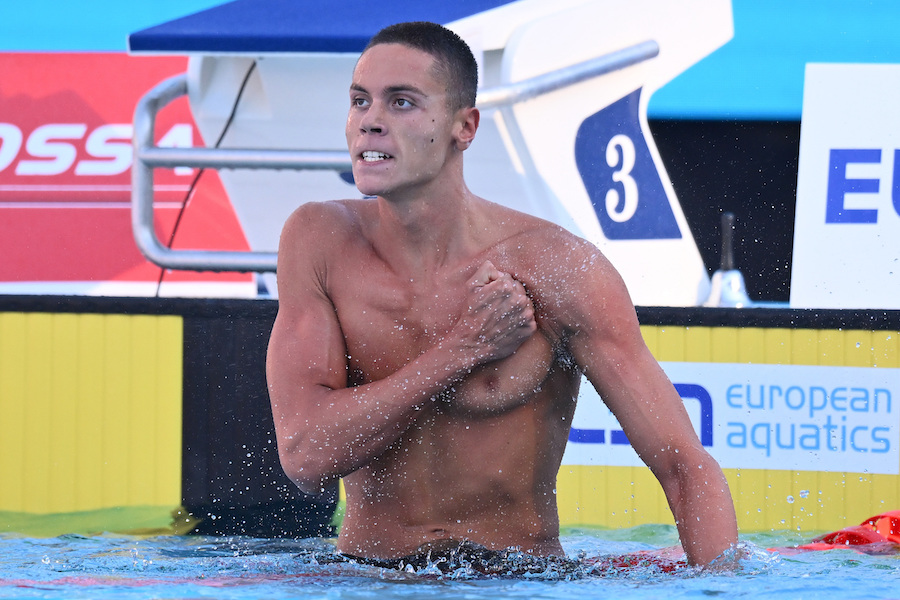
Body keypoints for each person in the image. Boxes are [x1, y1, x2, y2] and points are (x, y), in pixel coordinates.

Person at [266, 21, 738, 567]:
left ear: (464, 127)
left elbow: (684, 467)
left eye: (402, 102)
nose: (370, 121)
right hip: (365, 578)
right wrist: (460, 352)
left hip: (515, 580)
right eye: (359, 101)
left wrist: (720, 586)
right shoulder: (320, 242)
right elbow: (305, 457)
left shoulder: (557, 269)